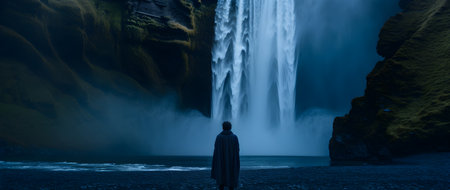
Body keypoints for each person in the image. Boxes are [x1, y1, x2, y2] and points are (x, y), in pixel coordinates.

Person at [211, 121, 240, 190]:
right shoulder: (234, 137)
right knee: (232, 173)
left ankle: (221, 187)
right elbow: (237, 150)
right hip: (231, 160)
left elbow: (216, 149)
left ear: (223, 127)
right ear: (230, 127)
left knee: (221, 172)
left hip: (221, 160)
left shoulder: (218, 137)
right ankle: (231, 187)